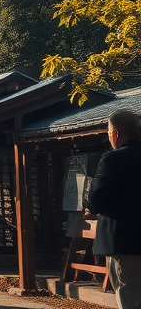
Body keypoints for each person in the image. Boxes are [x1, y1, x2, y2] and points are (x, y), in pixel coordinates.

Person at [86, 109, 141, 309]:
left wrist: (90, 207)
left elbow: (97, 196)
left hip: (124, 240)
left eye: (108, 132)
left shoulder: (113, 159)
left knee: (131, 296)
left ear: (115, 133)